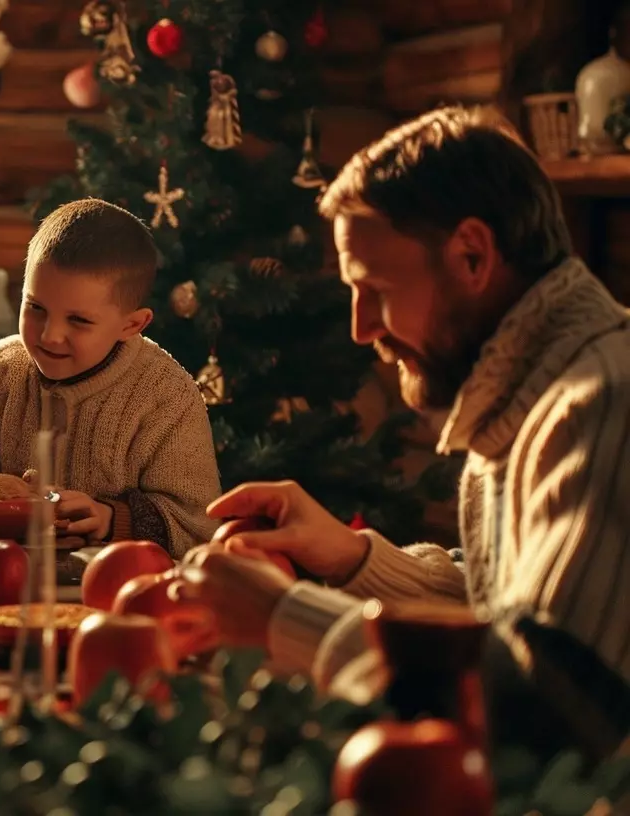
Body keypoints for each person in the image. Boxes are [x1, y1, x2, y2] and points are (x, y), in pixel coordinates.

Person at [188, 106, 630, 694]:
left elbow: (548, 697)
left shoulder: (599, 403)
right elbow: (503, 600)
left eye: (375, 290)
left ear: (472, 254)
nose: (361, 327)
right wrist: (349, 558)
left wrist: (286, 619)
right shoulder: (532, 388)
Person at [0, 198, 220, 555]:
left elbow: (196, 524)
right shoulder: (2, 368)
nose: (49, 336)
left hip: (115, 593)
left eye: (79, 321)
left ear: (131, 325)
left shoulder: (167, 395)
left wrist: (110, 519)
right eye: (36, 308)